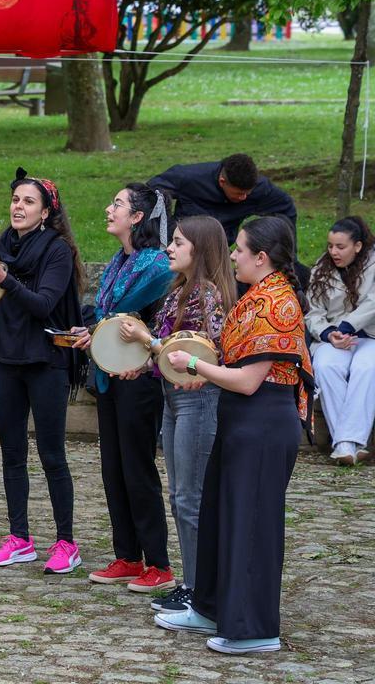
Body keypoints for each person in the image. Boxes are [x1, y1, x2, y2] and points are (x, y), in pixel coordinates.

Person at [156, 216, 314, 655]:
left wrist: (194, 367)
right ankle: (210, 606)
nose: (232, 256)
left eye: (239, 250)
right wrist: (203, 373)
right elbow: (231, 369)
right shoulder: (254, 297)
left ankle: (254, 629)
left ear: (261, 257)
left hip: (263, 421)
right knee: (220, 515)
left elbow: (249, 381)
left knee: (252, 524)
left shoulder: (278, 303)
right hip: (241, 419)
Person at [0, 169, 84, 574]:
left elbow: (44, 304)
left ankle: (66, 542)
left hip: (46, 361)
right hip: (7, 359)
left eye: (28, 201)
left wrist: (4, 281)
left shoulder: (58, 250)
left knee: (53, 455)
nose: (19, 206)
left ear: (46, 211)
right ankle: (20, 538)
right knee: (12, 453)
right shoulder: (1, 247)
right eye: (16, 199)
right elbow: (8, 303)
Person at [117, 216, 235, 613]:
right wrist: (144, 363)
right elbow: (170, 353)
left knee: (191, 497)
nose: (169, 247)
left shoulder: (210, 295)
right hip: (172, 397)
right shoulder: (179, 290)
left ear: (199, 250)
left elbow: (203, 352)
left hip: (198, 400)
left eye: (179, 242)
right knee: (179, 495)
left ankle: (201, 588)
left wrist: (145, 338)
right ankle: (193, 583)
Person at [72, 183, 175, 594]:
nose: (108, 208)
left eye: (117, 204)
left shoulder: (155, 266)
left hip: (140, 378)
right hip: (109, 375)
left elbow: (121, 315)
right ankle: (128, 555)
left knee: (138, 469)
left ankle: (160, 563)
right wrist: (91, 329)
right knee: (113, 468)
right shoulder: (120, 261)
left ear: (137, 217)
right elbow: (107, 317)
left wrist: (96, 326)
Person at [306, 216, 375, 465]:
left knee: (366, 369)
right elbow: (313, 313)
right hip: (334, 338)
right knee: (326, 367)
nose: (333, 252)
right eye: (330, 246)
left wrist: (349, 326)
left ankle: (344, 444)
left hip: (369, 336)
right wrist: (327, 334)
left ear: (357, 246)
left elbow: (373, 302)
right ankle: (352, 445)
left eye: (340, 247)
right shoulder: (320, 270)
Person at [148, 154, 297, 246]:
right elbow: (151, 191)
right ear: (222, 181)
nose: (243, 198)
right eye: (238, 193)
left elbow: (286, 208)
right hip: (180, 244)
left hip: (220, 250)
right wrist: (165, 232)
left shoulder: (261, 188)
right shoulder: (188, 177)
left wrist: (287, 256)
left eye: (247, 194)